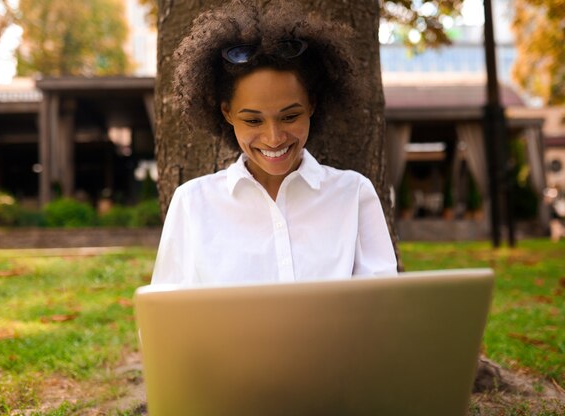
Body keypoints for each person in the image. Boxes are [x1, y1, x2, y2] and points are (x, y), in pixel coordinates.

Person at [151, 0, 397, 286]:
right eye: (253, 120)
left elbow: (380, 309)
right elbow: (167, 318)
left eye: (290, 116)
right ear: (227, 113)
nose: (274, 137)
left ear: (312, 105)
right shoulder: (192, 203)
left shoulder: (353, 194)